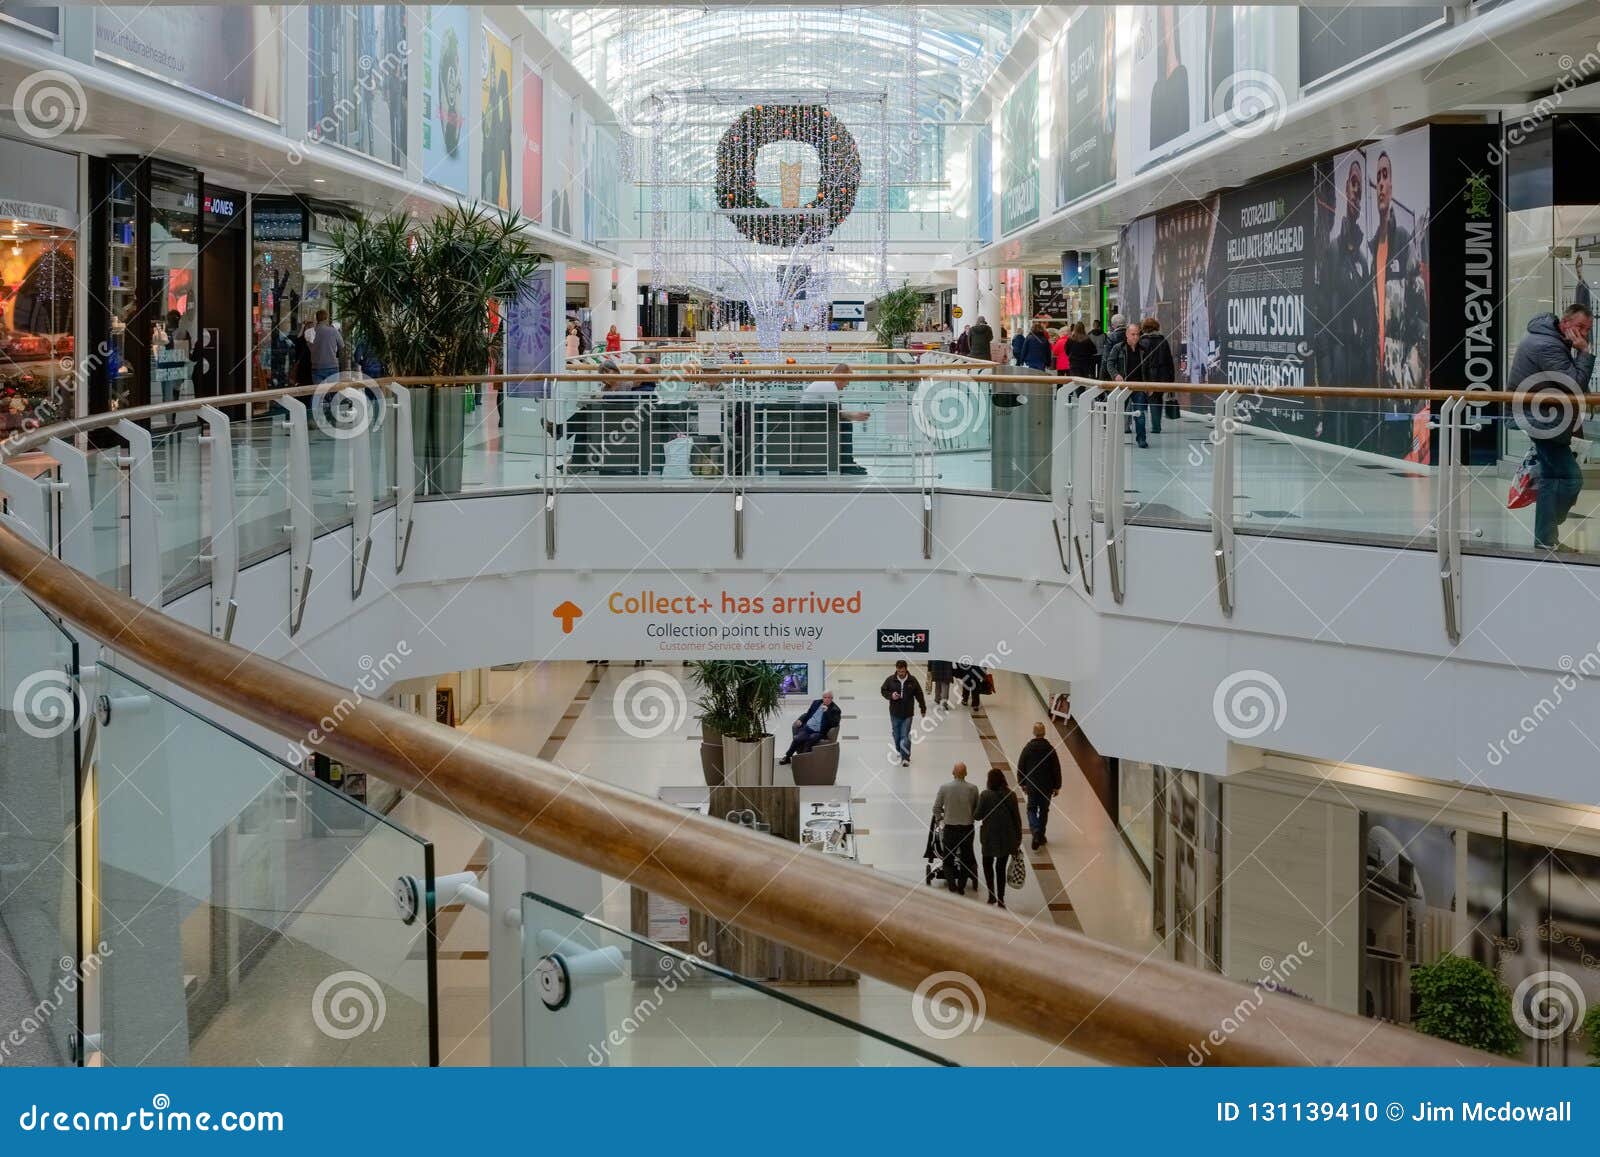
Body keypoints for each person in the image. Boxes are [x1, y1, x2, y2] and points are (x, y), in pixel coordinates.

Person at [1508, 305, 1595, 551]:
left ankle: (1545, 539)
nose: (1583, 334)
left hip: (1545, 418)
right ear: (1565, 323)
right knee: (1570, 479)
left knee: (1550, 478)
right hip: (1541, 420)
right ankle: (1548, 529)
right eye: (1579, 327)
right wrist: (1584, 352)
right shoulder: (1548, 345)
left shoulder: (1549, 338)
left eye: (1587, 330)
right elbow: (1574, 383)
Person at [803, 362, 871, 476]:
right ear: (841, 376)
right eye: (847, 380)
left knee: (844, 423)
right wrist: (855, 416)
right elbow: (837, 413)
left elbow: (835, 411)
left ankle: (846, 463)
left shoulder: (827, 382)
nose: (847, 384)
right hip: (812, 421)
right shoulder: (829, 386)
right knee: (845, 425)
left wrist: (854, 415)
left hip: (812, 418)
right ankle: (846, 464)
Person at [976, 768, 1023, 908]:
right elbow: (1017, 820)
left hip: (989, 837)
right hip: (1006, 838)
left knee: (987, 864)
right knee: (1000, 868)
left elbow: (977, 816)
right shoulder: (1011, 795)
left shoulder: (985, 795)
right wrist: (1017, 840)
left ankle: (991, 896)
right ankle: (1001, 899)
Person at [932, 762, 980, 895]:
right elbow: (977, 811)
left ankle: (952, 885)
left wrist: (939, 819)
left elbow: (936, 808)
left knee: (948, 859)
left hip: (950, 829)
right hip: (967, 829)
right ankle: (961, 886)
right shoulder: (973, 789)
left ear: (953, 773)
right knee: (966, 859)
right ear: (966, 773)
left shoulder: (944, 788)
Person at [1016, 722, 1063, 850]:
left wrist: (1022, 783)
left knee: (1031, 808)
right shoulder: (1050, 750)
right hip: (1047, 787)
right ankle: (1040, 834)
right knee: (1044, 810)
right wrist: (1057, 786)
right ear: (1044, 733)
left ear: (1034, 732)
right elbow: (1056, 769)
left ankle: (1036, 830)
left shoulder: (1027, 749)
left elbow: (1021, 767)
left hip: (1032, 785)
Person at [1130, 317, 1176, 448]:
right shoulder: (1163, 341)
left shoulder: (1142, 342)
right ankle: (1156, 426)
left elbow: (1140, 362)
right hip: (1162, 376)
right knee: (1157, 400)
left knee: (1141, 402)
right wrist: (1170, 378)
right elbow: (1169, 361)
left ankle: (1141, 427)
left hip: (1146, 376)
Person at [880, 659, 927, 767]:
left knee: (905, 735)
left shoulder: (913, 681)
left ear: (906, 670)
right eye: (899, 671)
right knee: (896, 735)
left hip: (908, 713)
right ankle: (899, 750)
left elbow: (919, 695)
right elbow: (883, 690)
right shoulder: (890, 680)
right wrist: (891, 695)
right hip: (894, 713)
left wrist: (923, 708)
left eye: (902, 671)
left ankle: (905, 757)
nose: (901, 674)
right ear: (896, 670)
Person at [779, 690, 842, 764]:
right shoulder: (816, 703)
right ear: (822, 698)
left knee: (811, 739)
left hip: (819, 731)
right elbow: (808, 713)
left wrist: (827, 712)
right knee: (797, 738)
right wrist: (801, 720)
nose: (827, 699)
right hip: (808, 728)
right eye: (825, 697)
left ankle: (803, 760)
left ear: (832, 698)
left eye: (829, 697)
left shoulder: (835, 709)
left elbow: (835, 723)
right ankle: (787, 757)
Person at [307, 309, 344, 385]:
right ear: (327, 319)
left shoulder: (310, 332)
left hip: (316, 367)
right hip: (332, 366)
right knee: (333, 393)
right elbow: (342, 345)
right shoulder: (333, 331)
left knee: (319, 394)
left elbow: (310, 346)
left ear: (316, 319)